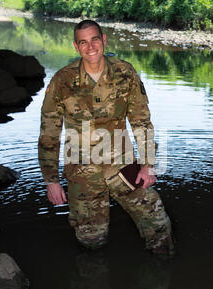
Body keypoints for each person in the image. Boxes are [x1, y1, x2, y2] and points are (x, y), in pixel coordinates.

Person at [38, 20, 174, 255]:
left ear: (104, 40)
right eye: (83, 42)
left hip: (121, 164)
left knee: (157, 222)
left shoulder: (125, 73)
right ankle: (96, 283)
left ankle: (166, 273)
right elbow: (49, 132)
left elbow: (141, 121)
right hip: (82, 172)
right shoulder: (62, 81)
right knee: (91, 240)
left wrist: (148, 164)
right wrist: (51, 180)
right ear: (75, 46)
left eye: (94, 40)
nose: (90, 47)